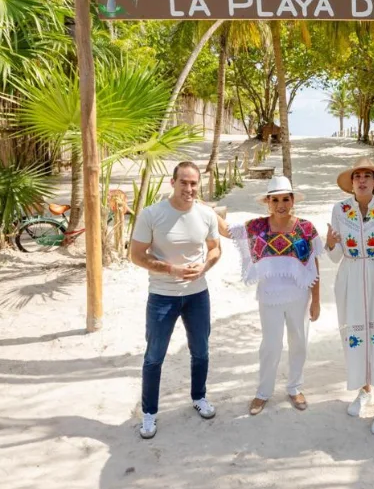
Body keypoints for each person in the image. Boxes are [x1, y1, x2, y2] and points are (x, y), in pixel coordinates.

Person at [130, 161, 222, 439]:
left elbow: (215, 249)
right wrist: (171, 269)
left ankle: (199, 397)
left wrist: (204, 267)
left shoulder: (206, 215)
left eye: (194, 183)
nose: (189, 188)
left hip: (197, 295)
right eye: (184, 182)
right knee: (154, 356)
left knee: (201, 351)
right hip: (162, 296)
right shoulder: (152, 214)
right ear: (173, 183)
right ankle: (149, 413)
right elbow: (136, 255)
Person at [217, 176, 322, 415]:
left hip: (299, 295)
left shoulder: (306, 228)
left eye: (286, 198)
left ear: (293, 200)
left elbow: (314, 265)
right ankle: (263, 392)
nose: (281, 204)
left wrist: (316, 300)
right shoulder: (257, 227)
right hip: (269, 296)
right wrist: (201, 205)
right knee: (271, 346)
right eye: (275, 200)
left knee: (300, 343)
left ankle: (295, 388)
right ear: (268, 202)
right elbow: (226, 231)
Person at [326, 156, 374, 435]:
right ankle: (363, 389)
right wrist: (331, 243)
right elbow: (335, 256)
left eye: (367, 176)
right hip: (350, 277)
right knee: (356, 336)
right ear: (351, 183)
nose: (361, 180)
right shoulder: (340, 209)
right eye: (357, 176)